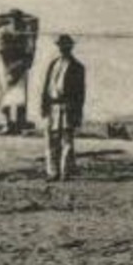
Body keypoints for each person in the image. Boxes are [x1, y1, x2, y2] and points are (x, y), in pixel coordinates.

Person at [39, 33, 86, 181]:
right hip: (52, 106)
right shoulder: (53, 64)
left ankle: (65, 172)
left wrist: (78, 113)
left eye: (65, 46)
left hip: (68, 107)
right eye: (59, 46)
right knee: (51, 140)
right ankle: (52, 172)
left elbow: (80, 93)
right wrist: (43, 105)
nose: (61, 49)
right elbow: (45, 86)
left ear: (70, 47)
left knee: (67, 141)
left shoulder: (77, 67)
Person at [0, 15, 33, 133]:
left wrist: (21, 65)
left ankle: (19, 123)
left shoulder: (24, 33)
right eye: (14, 20)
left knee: (20, 96)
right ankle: (7, 122)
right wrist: (10, 70)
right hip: (5, 66)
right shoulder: (4, 32)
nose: (16, 23)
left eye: (17, 21)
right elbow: (1, 51)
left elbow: (29, 51)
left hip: (19, 65)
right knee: (3, 95)